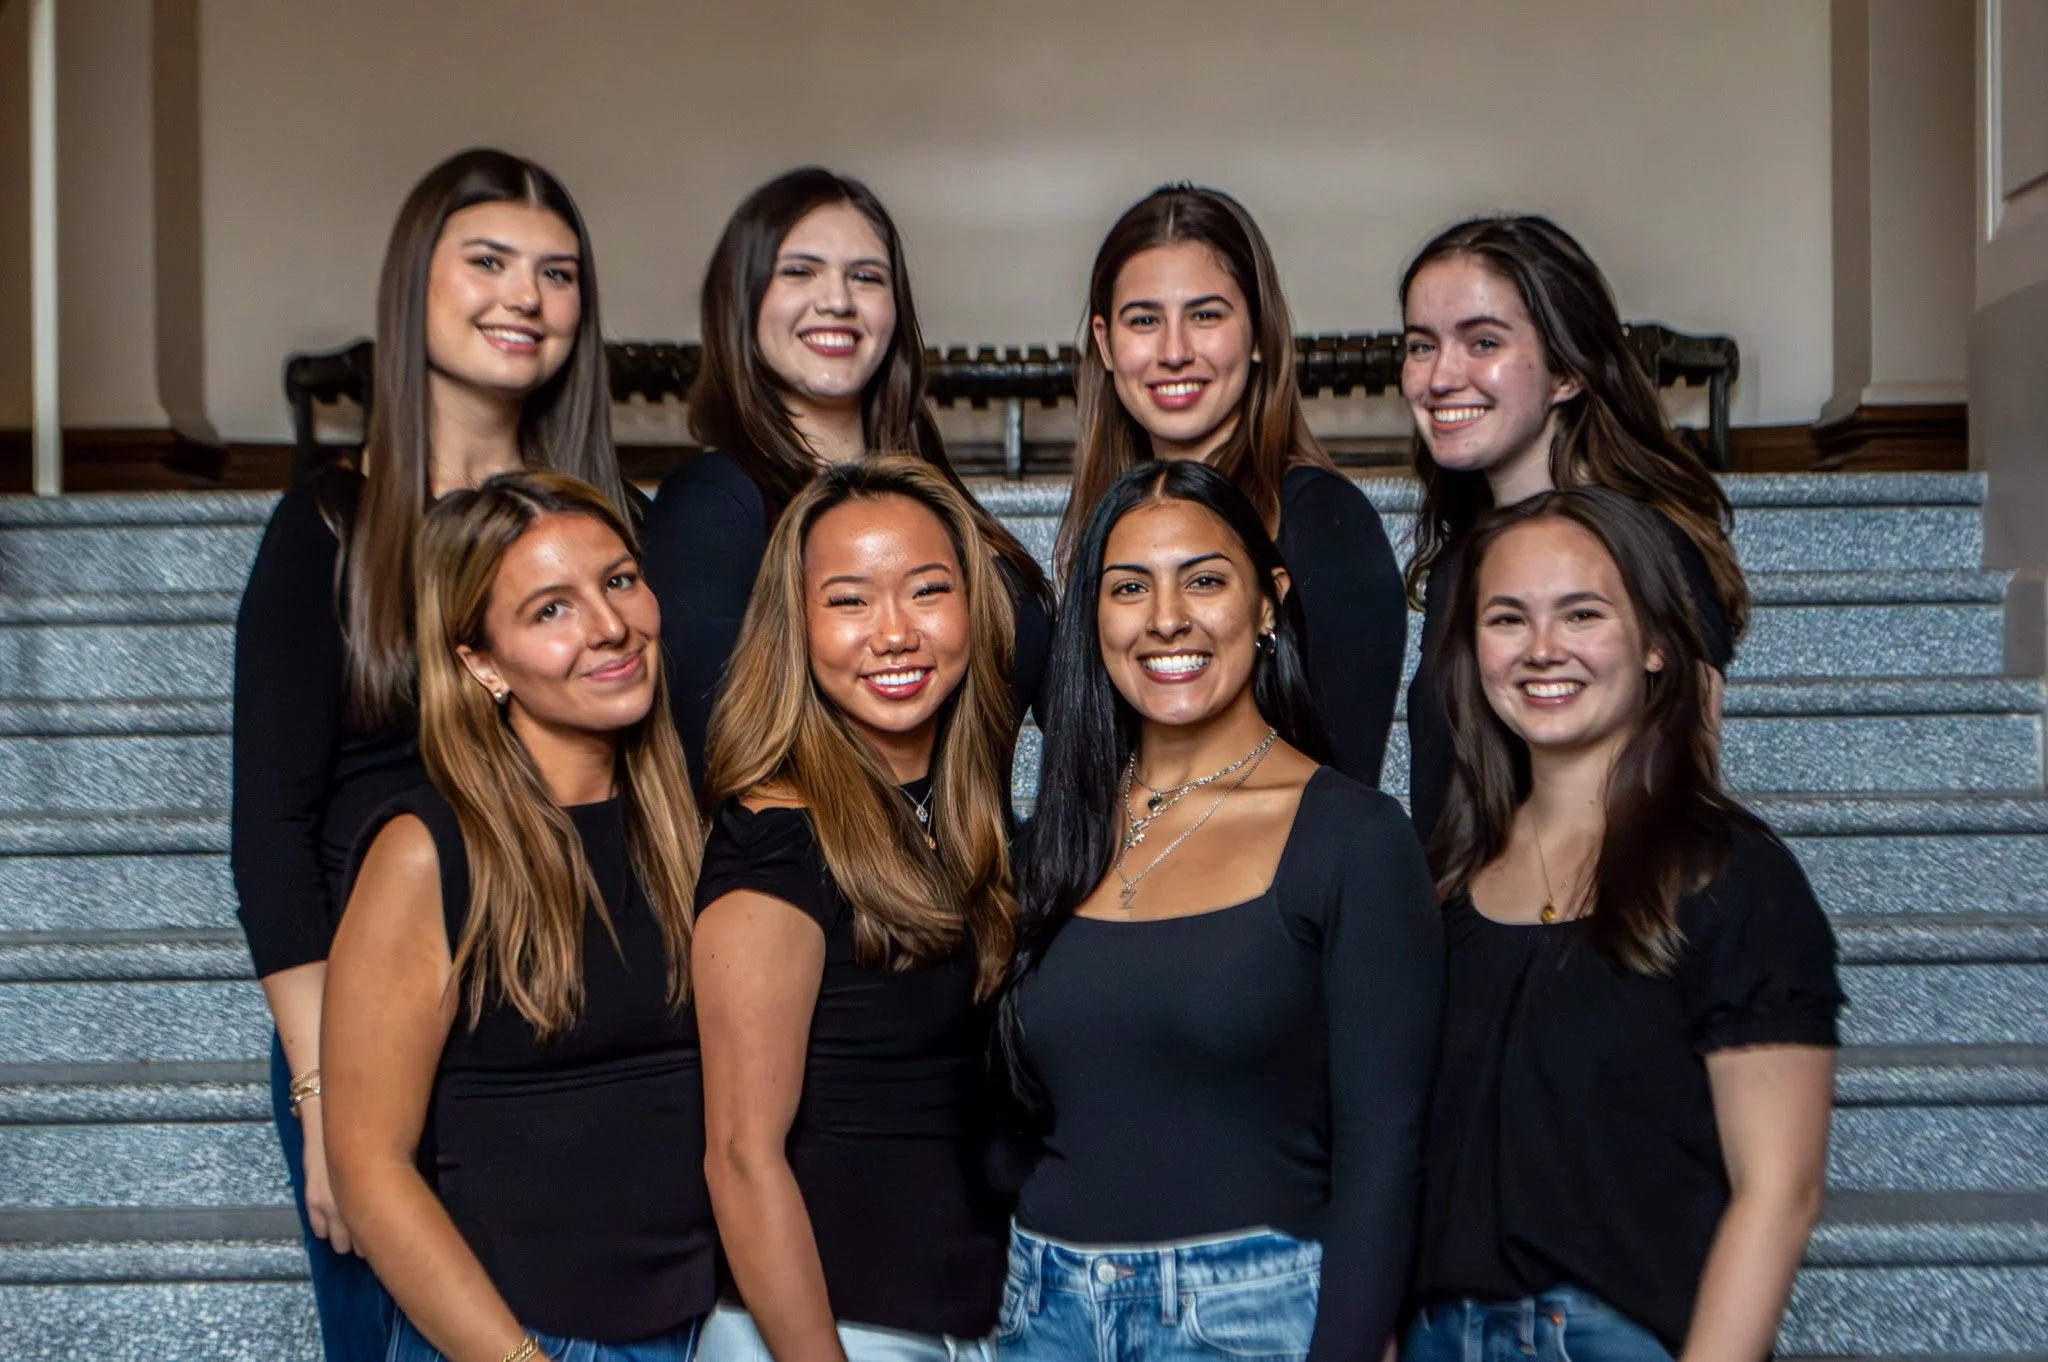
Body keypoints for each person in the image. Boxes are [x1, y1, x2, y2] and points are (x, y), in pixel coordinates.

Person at [229, 147, 631, 1359]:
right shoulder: (328, 529)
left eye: (557, 273)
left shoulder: (615, 534)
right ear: (415, 285)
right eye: (490, 261)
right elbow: (271, 836)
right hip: (378, 1020)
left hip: (573, 1003)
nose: (527, 296)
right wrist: (320, 1092)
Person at [1000, 460, 1442, 1361]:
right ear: (1094, 617)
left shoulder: (1353, 839)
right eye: (1130, 587)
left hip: (1248, 1315)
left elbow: (1385, 1150)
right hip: (1042, 1309)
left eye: (1203, 580)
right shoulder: (1052, 839)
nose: (1166, 618)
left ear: (1268, 602)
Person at [1405, 486, 1841, 1362]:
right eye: (1507, 618)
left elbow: (1778, 1193)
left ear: (1653, 643)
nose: (1542, 649)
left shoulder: (1731, 876)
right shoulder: (1439, 880)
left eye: (1583, 614)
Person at [324, 472, 711, 1362]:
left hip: (707, 1330)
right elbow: (369, 1169)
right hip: (523, 1339)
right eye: (551, 609)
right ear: (482, 663)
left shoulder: (693, 828)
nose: (610, 626)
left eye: (619, 581)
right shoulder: (425, 853)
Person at [691, 456, 1019, 1361]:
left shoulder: (957, 823)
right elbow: (741, 1159)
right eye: (849, 601)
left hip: (958, 1322)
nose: (896, 633)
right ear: (795, 628)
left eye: (927, 590)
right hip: (831, 1335)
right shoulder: (775, 843)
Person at [641, 167, 1051, 782]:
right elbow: (717, 757)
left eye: (866, 277)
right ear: (741, 300)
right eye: (799, 271)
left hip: (983, 845)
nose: (837, 300)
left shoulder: (933, 493)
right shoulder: (712, 506)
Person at [1400, 213, 1748, 843]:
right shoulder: (1461, 558)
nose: (1440, 377)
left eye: (1483, 343)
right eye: (1422, 345)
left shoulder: (1646, 548)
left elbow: (1674, 823)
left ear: (1567, 372)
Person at [1055, 184, 1407, 788]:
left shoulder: (1325, 523)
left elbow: (1346, 806)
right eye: (1145, 320)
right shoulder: (1104, 524)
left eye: (1206, 315)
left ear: (1259, 332)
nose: (1174, 352)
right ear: (1106, 343)